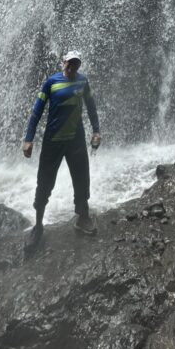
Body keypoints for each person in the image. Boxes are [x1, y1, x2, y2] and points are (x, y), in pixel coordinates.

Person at [22, 49, 101, 248]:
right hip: (53, 140)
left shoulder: (83, 81)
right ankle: (38, 225)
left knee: (82, 179)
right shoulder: (51, 82)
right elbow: (36, 111)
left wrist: (96, 131)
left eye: (76, 63)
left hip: (76, 140)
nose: (73, 66)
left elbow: (91, 106)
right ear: (64, 62)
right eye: (70, 62)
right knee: (44, 182)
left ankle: (83, 217)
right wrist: (28, 139)